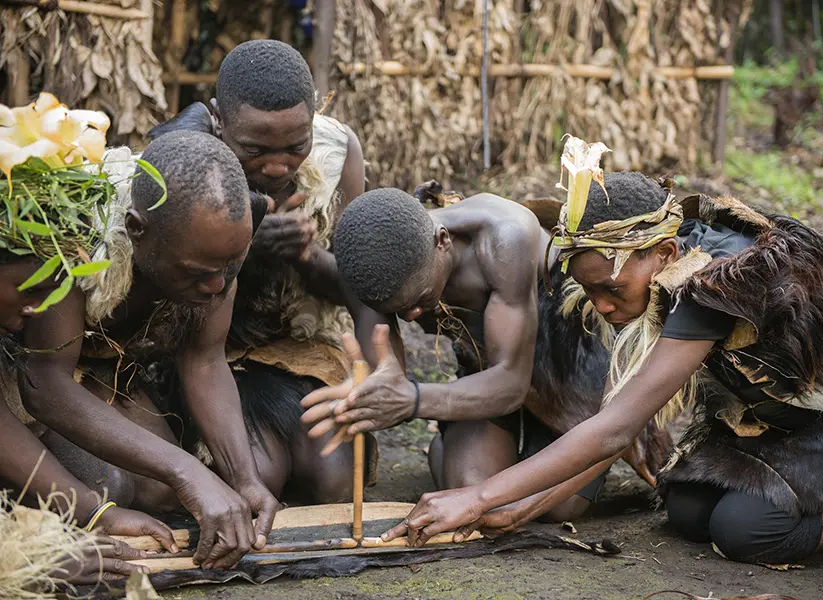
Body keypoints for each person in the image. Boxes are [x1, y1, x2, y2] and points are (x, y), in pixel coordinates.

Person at [380, 163, 823, 565]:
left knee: (747, 531)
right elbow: (619, 416)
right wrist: (520, 508)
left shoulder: (713, 284)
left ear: (666, 252)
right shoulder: (646, 268)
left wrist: (477, 498)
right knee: (688, 510)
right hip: (782, 416)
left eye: (609, 290)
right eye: (589, 291)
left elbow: (612, 429)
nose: (603, 305)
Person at [301, 187, 672, 522]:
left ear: (442, 241)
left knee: (559, 508)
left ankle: (537, 449)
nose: (414, 316)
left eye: (419, 300)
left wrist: (413, 399)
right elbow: (388, 376)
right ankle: (453, 441)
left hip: (563, 364)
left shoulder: (504, 238)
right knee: (475, 496)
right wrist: (368, 395)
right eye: (399, 309)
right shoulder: (371, 269)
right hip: (483, 373)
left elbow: (511, 382)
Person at [20, 130, 280, 571]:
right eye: (199, 272)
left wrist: (244, 478)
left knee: (167, 493)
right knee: (112, 487)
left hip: (109, 375)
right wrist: (188, 470)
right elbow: (43, 383)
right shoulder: (79, 233)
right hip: (38, 380)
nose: (217, 286)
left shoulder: (217, 251)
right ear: (137, 230)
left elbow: (204, 360)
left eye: (229, 268)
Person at [150, 39, 393, 501]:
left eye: (296, 145)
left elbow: (360, 286)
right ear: (220, 120)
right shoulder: (181, 157)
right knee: (259, 477)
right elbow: (164, 291)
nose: (278, 165)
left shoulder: (338, 152)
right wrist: (244, 247)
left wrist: (306, 255)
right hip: (205, 354)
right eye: (255, 149)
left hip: (301, 353)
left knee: (336, 483)